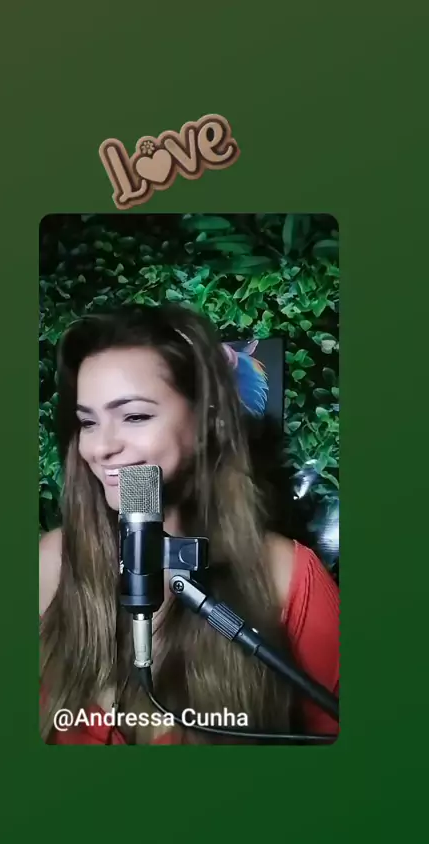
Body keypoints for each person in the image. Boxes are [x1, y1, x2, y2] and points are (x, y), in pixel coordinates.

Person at [39, 303, 339, 745]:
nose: (101, 447)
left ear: (206, 421)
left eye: (135, 416)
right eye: (88, 422)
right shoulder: (50, 563)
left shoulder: (289, 578)